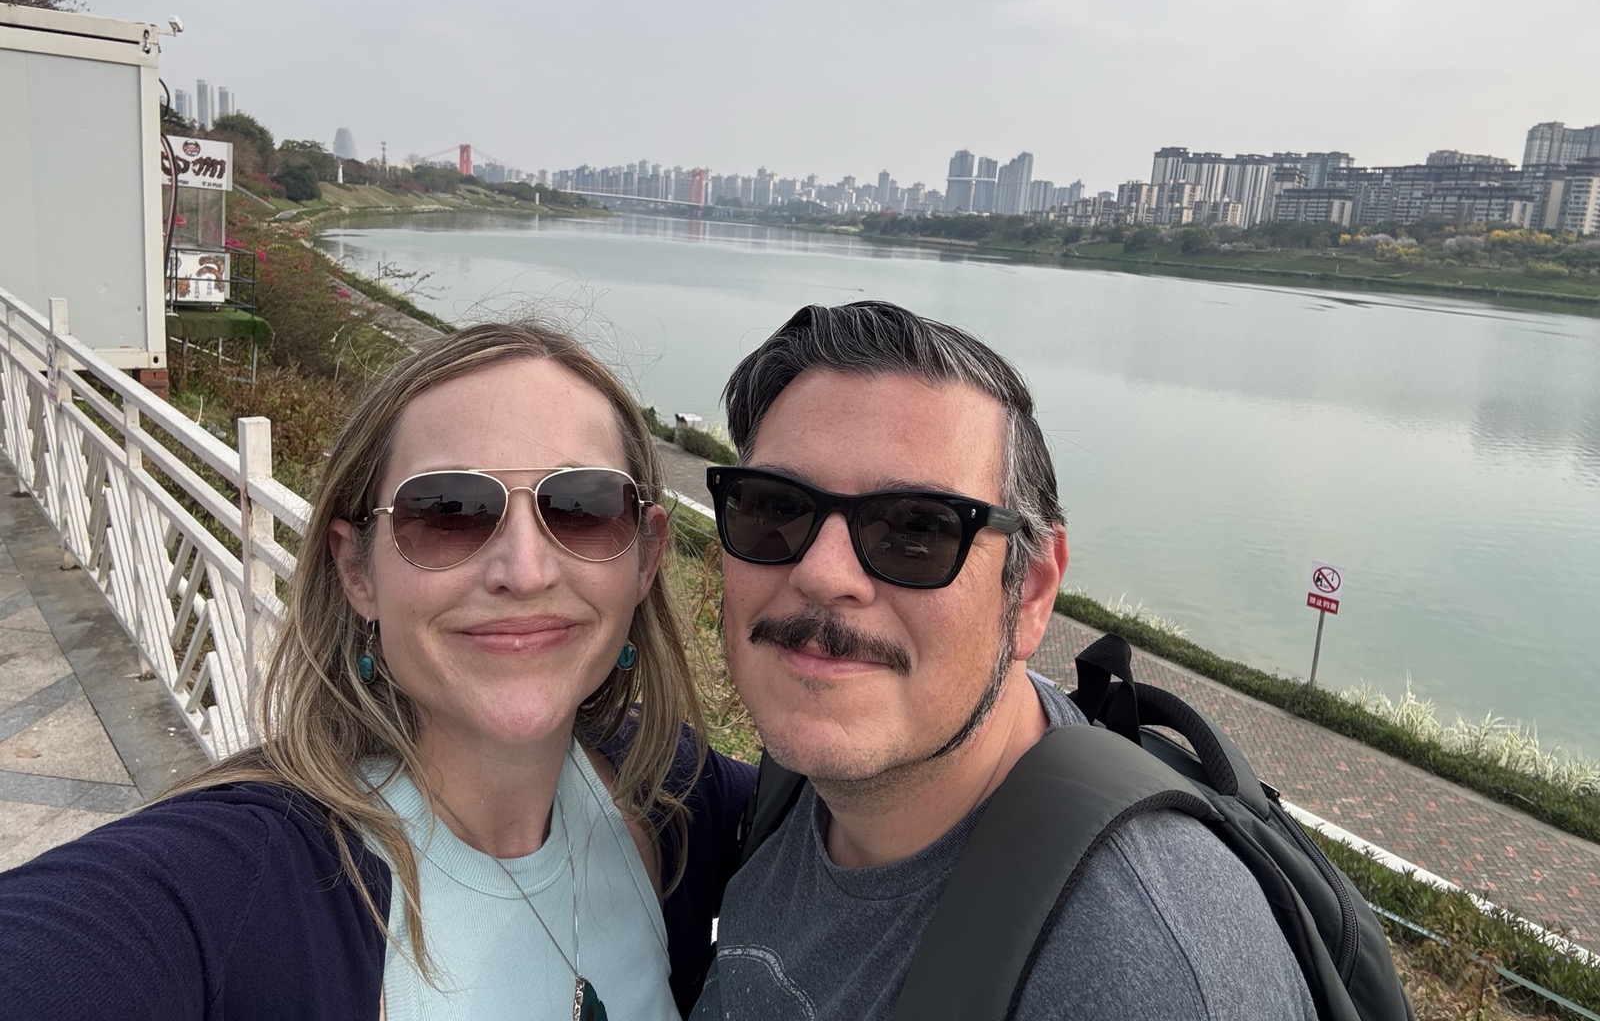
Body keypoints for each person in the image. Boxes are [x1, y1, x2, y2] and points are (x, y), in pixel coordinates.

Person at [0, 320, 754, 1020]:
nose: (525, 571)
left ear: (646, 557)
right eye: (449, 511)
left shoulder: (671, 792)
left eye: (582, 507)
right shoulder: (235, 879)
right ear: (356, 570)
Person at [693, 301, 1317, 1020]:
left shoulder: (1137, 973)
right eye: (774, 507)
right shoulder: (800, 782)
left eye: (918, 529)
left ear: (1030, 593)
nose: (823, 573)